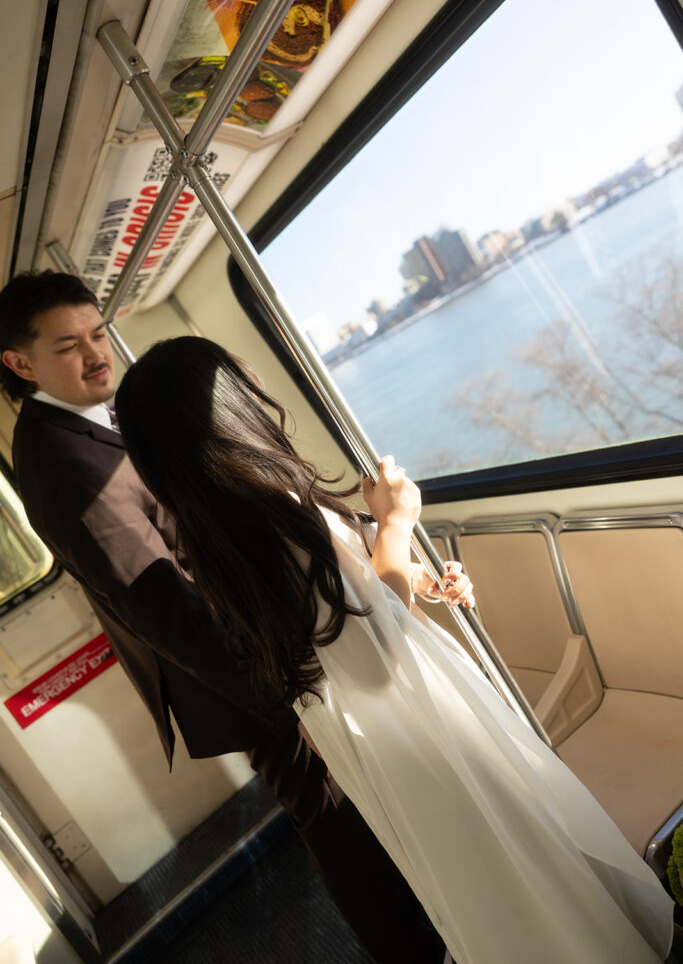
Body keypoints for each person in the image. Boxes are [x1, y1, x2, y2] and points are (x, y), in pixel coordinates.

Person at [113, 334, 676, 964]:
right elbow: (374, 656)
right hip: (410, 719)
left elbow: (347, 617)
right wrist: (397, 525)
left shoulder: (222, 535)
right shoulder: (273, 518)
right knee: (510, 849)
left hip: (385, 733)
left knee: (494, 862)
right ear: (228, 414)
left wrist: (415, 574)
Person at [0, 270, 453, 964]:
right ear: (19, 363)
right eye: (69, 346)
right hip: (249, 675)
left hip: (266, 647)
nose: (96, 355)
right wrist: (287, 689)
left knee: (357, 815)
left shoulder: (91, 420)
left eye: (98, 334)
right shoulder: (60, 463)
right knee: (337, 822)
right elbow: (160, 606)